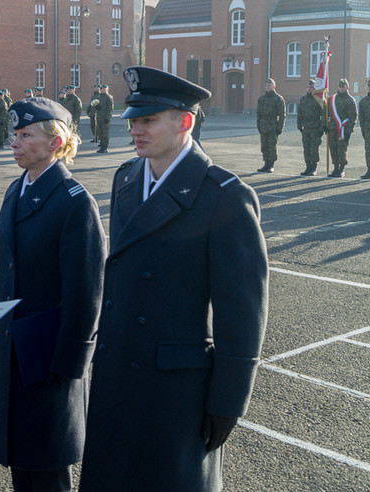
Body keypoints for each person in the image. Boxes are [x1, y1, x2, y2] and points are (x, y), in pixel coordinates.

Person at [79, 66, 268, 491]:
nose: (135, 129)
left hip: (175, 389)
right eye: (133, 119)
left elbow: (242, 313)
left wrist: (228, 402)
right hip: (118, 372)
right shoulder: (127, 178)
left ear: (185, 122)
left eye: (147, 119)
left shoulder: (223, 197)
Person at [0, 98, 106, 492]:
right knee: (22, 459)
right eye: (15, 134)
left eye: (25, 135)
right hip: (14, 351)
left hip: (47, 358)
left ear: (56, 142)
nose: (15, 142)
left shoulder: (73, 202)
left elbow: (87, 293)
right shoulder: (18, 189)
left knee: (48, 468)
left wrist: (69, 366)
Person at [327, 79, 358, 178]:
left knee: (342, 149)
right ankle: (335, 167)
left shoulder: (350, 100)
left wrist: (349, 130)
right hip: (332, 128)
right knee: (333, 148)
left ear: (347, 88)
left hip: (343, 129)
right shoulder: (332, 99)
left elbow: (353, 117)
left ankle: (341, 169)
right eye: (340, 87)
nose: (341, 88)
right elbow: (327, 113)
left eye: (343, 87)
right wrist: (325, 125)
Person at [297, 79, 327, 176]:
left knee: (314, 148)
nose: (309, 89)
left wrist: (322, 127)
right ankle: (308, 166)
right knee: (306, 148)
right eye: (308, 87)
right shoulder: (303, 99)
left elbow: (324, 114)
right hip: (306, 127)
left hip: (315, 127)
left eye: (311, 87)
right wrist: (299, 125)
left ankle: (314, 167)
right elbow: (300, 113)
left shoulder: (318, 99)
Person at [256, 78, 286, 173]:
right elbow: (258, 113)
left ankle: (271, 165)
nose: (268, 87)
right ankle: (266, 164)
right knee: (264, 146)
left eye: (270, 85)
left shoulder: (278, 99)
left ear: (274, 87)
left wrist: (280, 127)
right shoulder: (261, 99)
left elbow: (282, 115)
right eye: (267, 85)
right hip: (263, 125)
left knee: (272, 146)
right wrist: (258, 125)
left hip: (273, 125)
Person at [95, 84, 114, 153]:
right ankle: (102, 146)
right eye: (102, 89)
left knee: (105, 133)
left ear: (107, 90)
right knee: (100, 132)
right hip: (99, 117)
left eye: (104, 89)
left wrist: (108, 117)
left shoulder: (109, 97)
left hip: (105, 118)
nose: (102, 90)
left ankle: (105, 147)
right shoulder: (99, 97)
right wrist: (96, 107)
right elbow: (95, 104)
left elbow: (110, 109)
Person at [360, 79, 370, 179]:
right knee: (368, 150)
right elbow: (361, 118)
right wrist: (363, 130)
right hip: (367, 129)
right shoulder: (363, 102)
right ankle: (369, 170)